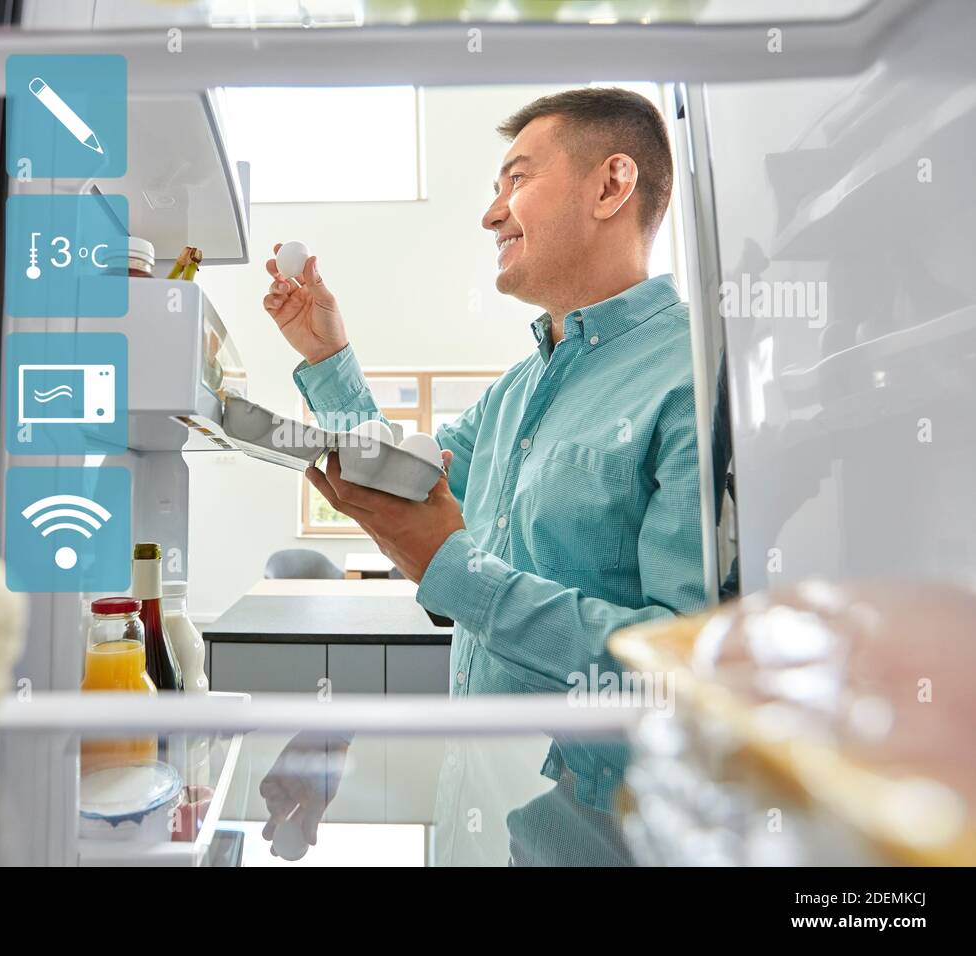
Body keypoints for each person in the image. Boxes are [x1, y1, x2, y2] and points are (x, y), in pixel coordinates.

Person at [259, 87, 707, 861]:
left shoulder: (692, 382)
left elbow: (678, 675)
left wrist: (450, 567)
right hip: (473, 823)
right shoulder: (514, 392)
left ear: (611, 185)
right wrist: (328, 358)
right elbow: (402, 476)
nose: (491, 213)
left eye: (516, 180)